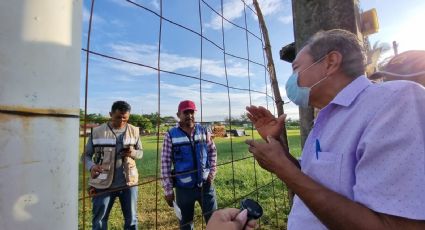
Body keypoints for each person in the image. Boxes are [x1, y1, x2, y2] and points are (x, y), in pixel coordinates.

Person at [245, 29, 425, 229]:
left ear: (330, 63)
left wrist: (282, 168)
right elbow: (309, 178)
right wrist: (277, 146)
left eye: (296, 68)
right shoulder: (327, 116)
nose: (292, 78)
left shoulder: (394, 101)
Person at [83, 101, 143, 230]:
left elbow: (140, 153)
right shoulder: (97, 131)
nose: (121, 121)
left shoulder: (134, 131)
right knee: (99, 219)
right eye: (118, 117)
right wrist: (92, 166)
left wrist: (133, 152)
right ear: (110, 114)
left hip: (129, 182)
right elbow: (86, 156)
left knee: (131, 218)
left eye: (125, 118)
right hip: (102, 183)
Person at [161, 100, 218, 230]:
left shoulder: (203, 131)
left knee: (214, 220)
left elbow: (212, 151)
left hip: (206, 185)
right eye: (185, 112)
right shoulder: (170, 135)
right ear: (178, 114)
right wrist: (168, 190)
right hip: (183, 188)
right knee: (186, 223)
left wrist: (212, 173)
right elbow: (165, 163)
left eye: (192, 112)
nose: (189, 115)